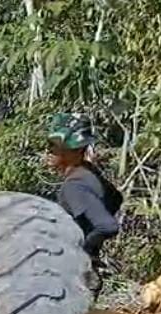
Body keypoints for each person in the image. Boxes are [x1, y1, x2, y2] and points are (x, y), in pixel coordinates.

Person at [46, 113, 122, 296]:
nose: (48, 152)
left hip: (74, 276)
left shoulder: (75, 186)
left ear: (71, 151)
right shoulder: (89, 174)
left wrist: (83, 252)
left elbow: (108, 226)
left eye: (53, 147)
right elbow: (116, 198)